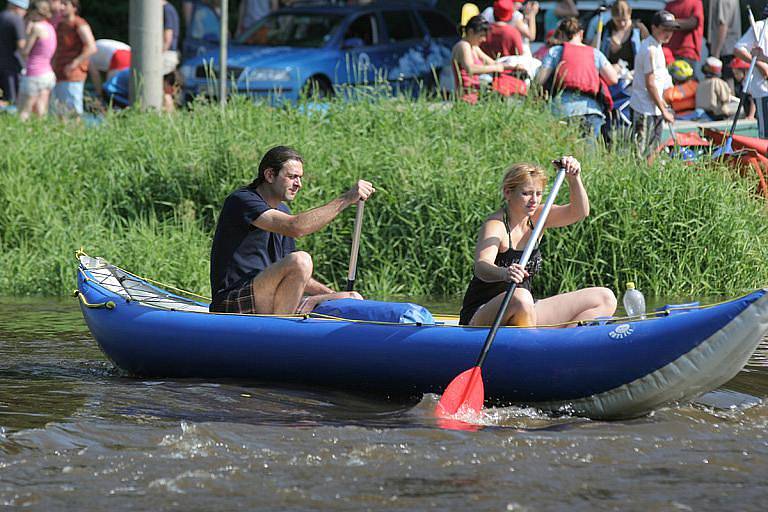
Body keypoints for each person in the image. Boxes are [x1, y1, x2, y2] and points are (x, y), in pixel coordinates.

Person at [209, 146, 375, 315]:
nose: (299, 184)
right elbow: (295, 228)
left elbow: (296, 274)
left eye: (300, 178)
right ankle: (281, 329)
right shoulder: (242, 200)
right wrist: (346, 199)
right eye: (292, 177)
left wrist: (331, 294)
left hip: (268, 298)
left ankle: (287, 321)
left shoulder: (283, 210)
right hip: (233, 300)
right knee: (301, 260)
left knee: (352, 297)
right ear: (269, 175)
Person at [459, 156, 616, 327]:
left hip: (526, 308)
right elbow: (481, 266)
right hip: (483, 314)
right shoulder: (496, 225)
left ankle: (565, 346)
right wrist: (504, 273)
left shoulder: (538, 218)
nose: (534, 200)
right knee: (521, 296)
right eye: (526, 193)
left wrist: (574, 178)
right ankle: (534, 345)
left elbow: (579, 212)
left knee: (605, 297)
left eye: (538, 193)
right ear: (507, 193)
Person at [534, 17, 618, 139]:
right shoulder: (595, 53)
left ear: (561, 35)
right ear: (581, 33)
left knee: (563, 154)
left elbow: (539, 81)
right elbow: (613, 79)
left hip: (561, 111)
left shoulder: (555, 51)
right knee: (587, 155)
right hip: (591, 111)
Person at [630, 10, 677, 160]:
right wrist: (665, 111)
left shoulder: (657, 46)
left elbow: (657, 82)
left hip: (654, 108)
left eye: (671, 29)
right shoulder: (650, 49)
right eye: (665, 29)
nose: (668, 33)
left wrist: (662, 105)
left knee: (653, 151)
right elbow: (650, 84)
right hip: (645, 108)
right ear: (654, 27)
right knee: (642, 154)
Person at [451, 15, 523, 103]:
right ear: (470, 32)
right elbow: (470, 68)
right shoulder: (463, 45)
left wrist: (513, 67)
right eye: (481, 36)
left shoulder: (474, 47)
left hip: (476, 97)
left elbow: (493, 63)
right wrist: (496, 68)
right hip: (466, 99)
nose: (484, 40)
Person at [50, 0, 95, 117]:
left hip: (73, 74)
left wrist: (74, 64)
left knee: (73, 111)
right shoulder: (60, 24)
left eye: (65, 4)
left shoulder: (79, 23)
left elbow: (91, 47)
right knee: (60, 110)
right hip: (59, 72)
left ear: (74, 8)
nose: (61, 6)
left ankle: (77, 134)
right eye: (61, 3)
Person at [18, 0, 56, 121]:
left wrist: (27, 33)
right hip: (48, 74)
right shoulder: (50, 27)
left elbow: (24, 51)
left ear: (34, 11)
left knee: (24, 112)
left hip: (33, 74)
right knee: (41, 112)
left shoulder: (36, 27)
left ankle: (19, 138)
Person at [735, 8, 768, 138]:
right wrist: (760, 64)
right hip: (764, 90)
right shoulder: (760, 27)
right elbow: (738, 49)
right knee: (765, 137)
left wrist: (762, 58)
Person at [593, 0, 649, 70]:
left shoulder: (639, 29)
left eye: (625, 20)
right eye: (618, 20)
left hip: (634, 75)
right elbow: (594, 52)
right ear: (612, 16)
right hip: (611, 75)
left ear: (630, 14)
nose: (622, 24)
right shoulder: (605, 31)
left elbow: (649, 53)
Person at [707, 0, 740, 93]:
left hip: (724, 49)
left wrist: (716, 54)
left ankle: (731, 107)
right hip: (729, 47)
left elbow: (723, 25)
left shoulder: (723, 1)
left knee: (727, 83)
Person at [0, 0, 27, 106]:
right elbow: (22, 45)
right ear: (17, 7)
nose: (24, 13)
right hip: (11, 67)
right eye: (24, 10)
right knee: (10, 100)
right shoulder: (16, 20)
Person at [663, 0, 703, 68]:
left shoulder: (696, 2)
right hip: (668, 52)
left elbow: (693, 23)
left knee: (685, 77)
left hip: (686, 53)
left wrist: (670, 23)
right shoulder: (670, 5)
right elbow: (662, 23)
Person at [162, 0, 180, 71]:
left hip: (166, 55)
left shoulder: (166, 10)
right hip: (170, 55)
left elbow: (167, 39)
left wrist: (155, 57)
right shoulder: (169, 8)